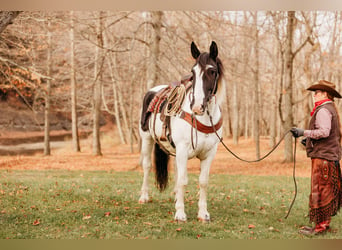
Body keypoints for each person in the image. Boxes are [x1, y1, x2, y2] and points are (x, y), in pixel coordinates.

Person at [291, 80, 342, 235]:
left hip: (324, 158)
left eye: (317, 92)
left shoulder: (323, 110)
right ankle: (320, 225)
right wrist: (310, 139)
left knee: (322, 191)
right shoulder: (328, 108)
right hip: (325, 156)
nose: (314, 95)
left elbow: (324, 132)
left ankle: (321, 228)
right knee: (322, 190)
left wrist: (303, 132)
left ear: (326, 94)